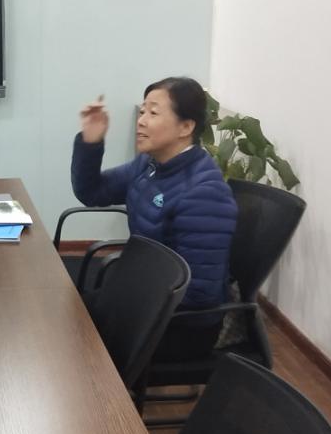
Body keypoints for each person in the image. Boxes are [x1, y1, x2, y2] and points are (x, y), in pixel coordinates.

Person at [71, 77, 238, 360]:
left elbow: (199, 293)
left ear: (186, 127)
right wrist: (91, 142)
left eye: (153, 112)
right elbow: (92, 192)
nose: (141, 121)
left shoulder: (204, 193)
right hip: (145, 297)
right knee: (66, 316)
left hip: (179, 325)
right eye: (142, 111)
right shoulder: (150, 165)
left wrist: (128, 297)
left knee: (77, 341)